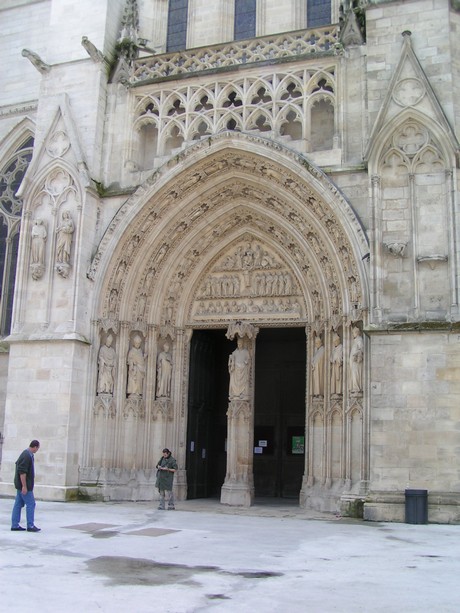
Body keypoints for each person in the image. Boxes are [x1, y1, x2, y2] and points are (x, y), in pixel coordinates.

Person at [11, 440, 41, 532]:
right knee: (31, 504)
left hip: (21, 485)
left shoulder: (27, 455)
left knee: (18, 504)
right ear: (35, 447)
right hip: (25, 486)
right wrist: (24, 486)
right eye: (38, 448)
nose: (37, 450)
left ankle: (15, 525)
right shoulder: (26, 455)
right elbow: (22, 472)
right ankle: (30, 525)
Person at [349, 326, 364, 393]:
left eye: (353, 333)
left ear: (356, 333)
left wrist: (356, 354)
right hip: (353, 362)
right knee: (354, 375)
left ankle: (357, 388)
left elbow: (361, 349)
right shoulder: (355, 340)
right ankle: (355, 387)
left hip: (357, 361)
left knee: (356, 374)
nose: (353, 334)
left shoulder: (359, 339)